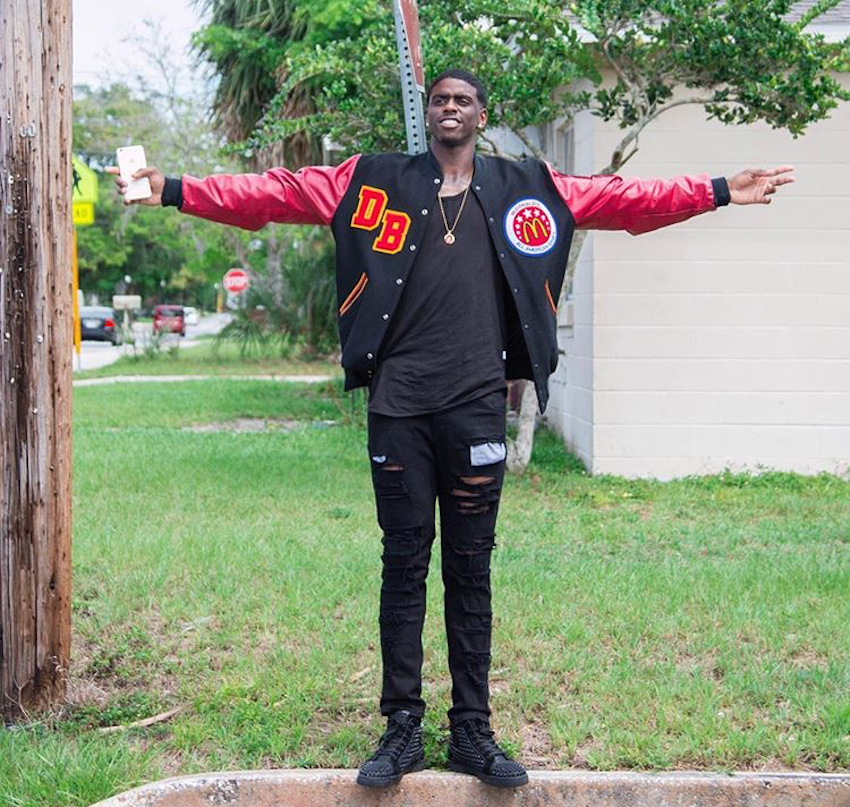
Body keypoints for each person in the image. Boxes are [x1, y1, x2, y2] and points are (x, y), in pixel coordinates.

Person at [108, 68, 794, 789]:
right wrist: (173, 189)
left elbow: (624, 201)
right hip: (399, 407)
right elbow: (273, 194)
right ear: (427, 112)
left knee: (471, 569)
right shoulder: (371, 183)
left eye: (462, 100)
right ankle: (401, 728)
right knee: (403, 566)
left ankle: (472, 731)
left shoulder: (526, 188)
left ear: (480, 115)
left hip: (475, 407)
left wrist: (718, 191)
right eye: (439, 99)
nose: (450, 109)